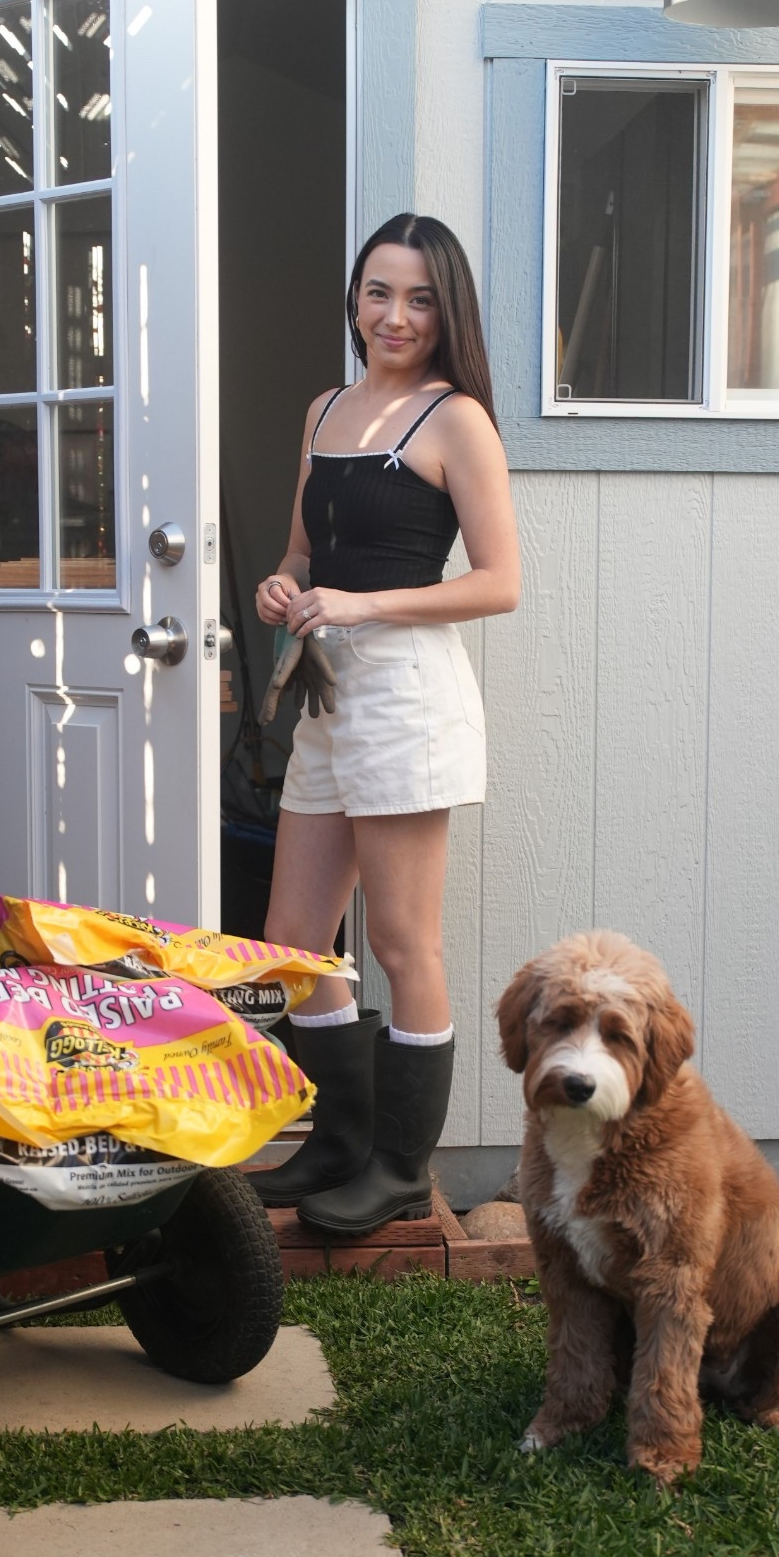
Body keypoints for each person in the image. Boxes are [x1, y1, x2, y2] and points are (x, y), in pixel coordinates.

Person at [249, 213, 520, 1234]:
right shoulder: (326, 408)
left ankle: (400, 1165)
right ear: (353, 299)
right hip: (329, 692)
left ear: (443, 310)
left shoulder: (456, 421)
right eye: (377, 291)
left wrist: (368, 605)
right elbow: (300, 553)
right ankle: (334, 1141)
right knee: (294, 938)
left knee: (404, 939)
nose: (394, 314)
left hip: (407, 694)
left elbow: (500, 582)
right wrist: (285, 588)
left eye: (417, 297)